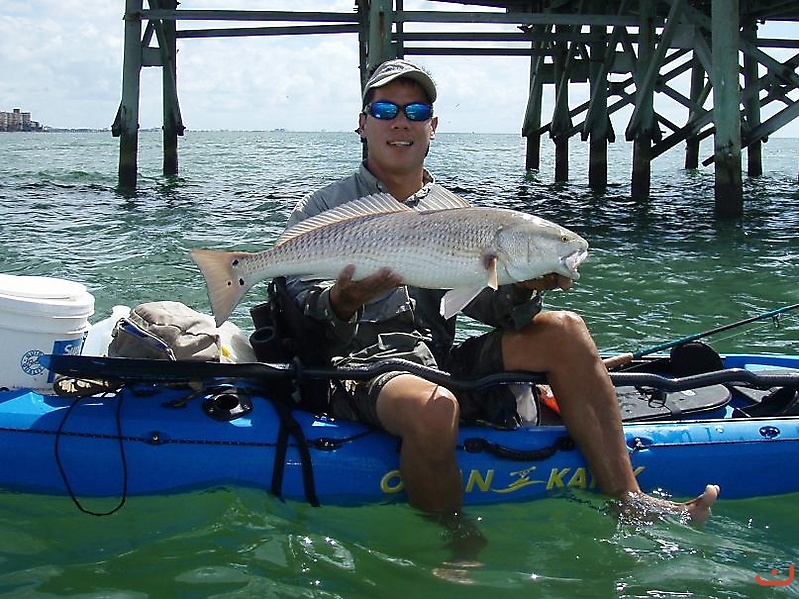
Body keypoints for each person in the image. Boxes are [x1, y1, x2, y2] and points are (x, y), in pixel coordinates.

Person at [283, 58, 719, 524]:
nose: (400, 123)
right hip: (356, 372)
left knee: (565, 329)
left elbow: (490, 309)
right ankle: (452, 546)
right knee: (433, 408)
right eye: (386, 108)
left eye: (416, 111)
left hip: (438, 363)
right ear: (363, 123)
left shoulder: (458, 214)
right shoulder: (326, 207)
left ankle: (631, 502)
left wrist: (523, 287)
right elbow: (298, 316)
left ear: (433, 126)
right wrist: (343, 300)